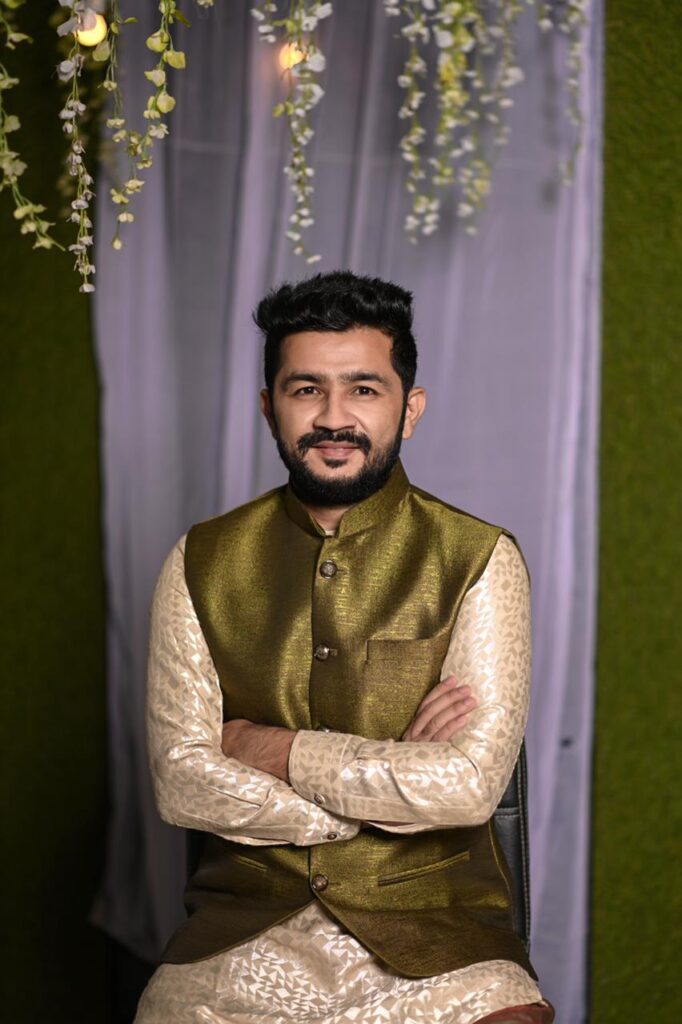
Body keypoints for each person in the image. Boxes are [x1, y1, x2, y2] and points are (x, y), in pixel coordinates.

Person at [135, 271, 555, 1024]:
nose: (334, 418)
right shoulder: (199, 560)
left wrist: (269, 748)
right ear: (269, 406)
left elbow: (465, 787)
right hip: (238, 940)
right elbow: (180, 780)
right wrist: (377, 789)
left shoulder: (480, 559)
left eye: (363, 388)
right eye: (306, 390)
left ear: (409, 408)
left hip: (441, 943)